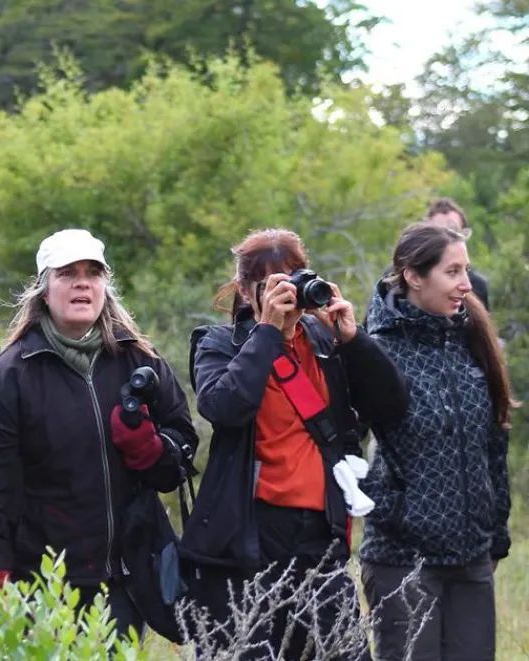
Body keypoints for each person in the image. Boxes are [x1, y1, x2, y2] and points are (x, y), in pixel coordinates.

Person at [180, 229, 407, 659]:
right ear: (246, 291)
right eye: (271, 285)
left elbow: (391, 404)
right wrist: (267, 331)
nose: (285, 293)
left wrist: (353, 340)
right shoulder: (219, 344)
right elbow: (224, 406)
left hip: (320, 537)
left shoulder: (323, 341)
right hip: (251, 543)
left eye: (293, 279)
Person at [0, 228, 198, 637]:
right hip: (45, 585)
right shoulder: (10, 375)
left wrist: (152, 449)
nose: (82, 282)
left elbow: (181, 447)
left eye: (93, 272)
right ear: (43, 290)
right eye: (67, 273)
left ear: (105, 286)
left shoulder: (139, 359)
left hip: (127, 581)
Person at [360, 223, 512, 660]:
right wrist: (392, 508)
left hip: (471, 558)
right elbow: (341, 447)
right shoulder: (375, 350)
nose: (466, 284)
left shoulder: (471, 342)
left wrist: (495, 533)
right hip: (402, 560)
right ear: (413, 275)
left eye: (466, 270)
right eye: (452, 271)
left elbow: (493, 446)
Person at [423, 197, 489, 309]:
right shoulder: (400, 279)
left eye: (453, 232)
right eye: (437, 232)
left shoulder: (477, 285)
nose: (446, 239)